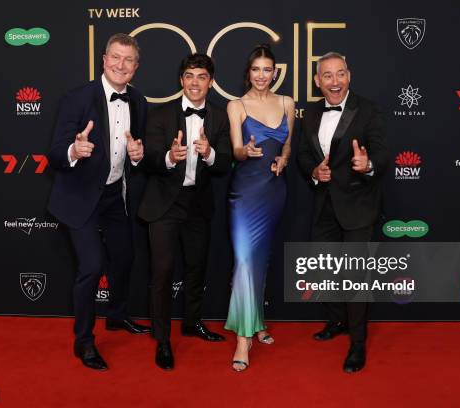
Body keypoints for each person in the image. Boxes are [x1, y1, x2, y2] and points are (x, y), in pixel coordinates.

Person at [47, 33, 151, 371]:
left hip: (113, 196)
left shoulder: (138, 101)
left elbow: (137, 150)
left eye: (129, 60)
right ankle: (84, 341)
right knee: (91, 267)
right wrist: (73, 151)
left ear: (136, 67)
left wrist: (138, 155)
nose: (121, 65)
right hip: (80, 197)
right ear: (104, 59)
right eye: (116, 58)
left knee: (124, 257)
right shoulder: (78, 99)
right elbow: (55, 152)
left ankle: (117, 316)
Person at [138, 53, 232, 370]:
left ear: (210, 82)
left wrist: (209, 154)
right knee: (163, 272)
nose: (195, 82)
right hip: (164, 204)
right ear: (181, 80)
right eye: (190, 75)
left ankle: (192, 323)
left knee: (196, 268)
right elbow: (148, 160)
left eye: (202, 76)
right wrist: (168, 156)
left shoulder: (219, 118)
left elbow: (225, 164)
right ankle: (162, 339)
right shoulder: (160, 115)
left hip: (198, 205)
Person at [297, 51, 389, 373]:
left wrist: (368, 165)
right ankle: (338, 320)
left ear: (349, 76)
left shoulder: (368, 110)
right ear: (317, 81)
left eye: (340, 74)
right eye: (327, 76)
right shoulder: (308, 113)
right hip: (324, 204)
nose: (334, 82)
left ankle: (358, 344)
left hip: (357, 205)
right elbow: (302, 156)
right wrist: (314, 172)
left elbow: (381, 153)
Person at [224, 44, 295, 372]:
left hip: (273, 191)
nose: (262, 76)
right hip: (245, 192)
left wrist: (283, 158)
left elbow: (288, 144)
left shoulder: (287, 103)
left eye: (268, 70)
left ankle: (258, 323)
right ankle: (243, 338)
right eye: (256, 69)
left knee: (260, 259)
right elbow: (237, 150)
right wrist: (246, 151)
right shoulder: (236, 105)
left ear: (275, 73)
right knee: (243, 260)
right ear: (248, 73)